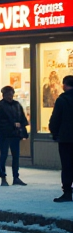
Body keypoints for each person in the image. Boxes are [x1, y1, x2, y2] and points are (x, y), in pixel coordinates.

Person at [0, 86, 29, 186]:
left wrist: (22, 130)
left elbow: (22, 118)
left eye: (11, 94)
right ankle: (3, 177)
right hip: (4, 134)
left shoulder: (16, 105)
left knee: (16, 156)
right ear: (3, 95)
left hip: (15, 134)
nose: (10, 96)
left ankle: (16, 177)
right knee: (4, 156)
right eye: (8, 94)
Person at [49, 75, 73, 203]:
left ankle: (67, 192)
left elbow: (55, 119)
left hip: (66, 138)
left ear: (65, 85)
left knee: (67, 165)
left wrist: (54, 132)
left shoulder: (62, 100)